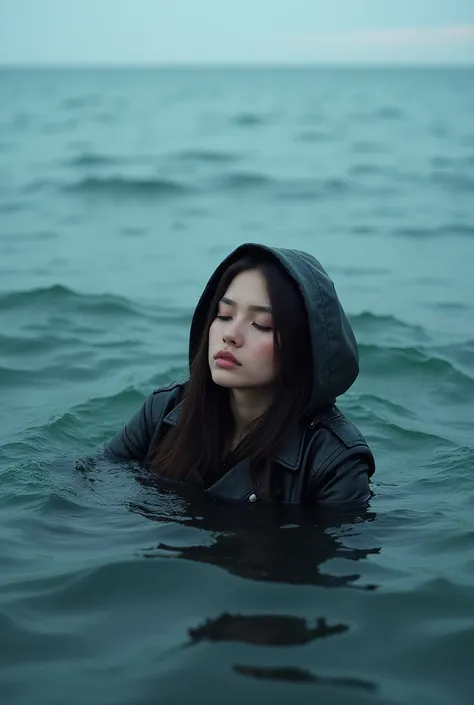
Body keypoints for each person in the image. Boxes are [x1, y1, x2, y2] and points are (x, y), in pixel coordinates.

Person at [105, 243, 375, 508]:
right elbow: (93, 482)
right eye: (224, 315)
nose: (230, 335)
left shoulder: (334, 460)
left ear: (304, 347)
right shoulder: (163, 410)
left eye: (261, 324)